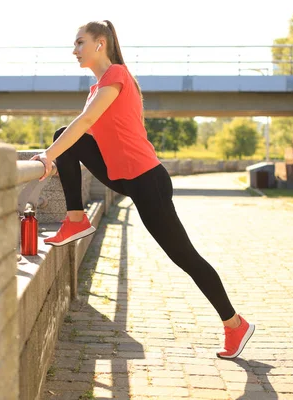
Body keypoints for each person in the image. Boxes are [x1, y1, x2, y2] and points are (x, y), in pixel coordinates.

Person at [31, 20, 254, 359]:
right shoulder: (96, 88)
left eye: (79, 42)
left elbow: (87, 122)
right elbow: (81, 133)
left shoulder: (116, 76)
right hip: (124, 178)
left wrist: (48, 156)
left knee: (185, 256)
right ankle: (76, 217)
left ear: (100, 43)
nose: (73, 50)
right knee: (64, 134)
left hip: (148, 180)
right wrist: (54, 154)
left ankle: (235, 324)